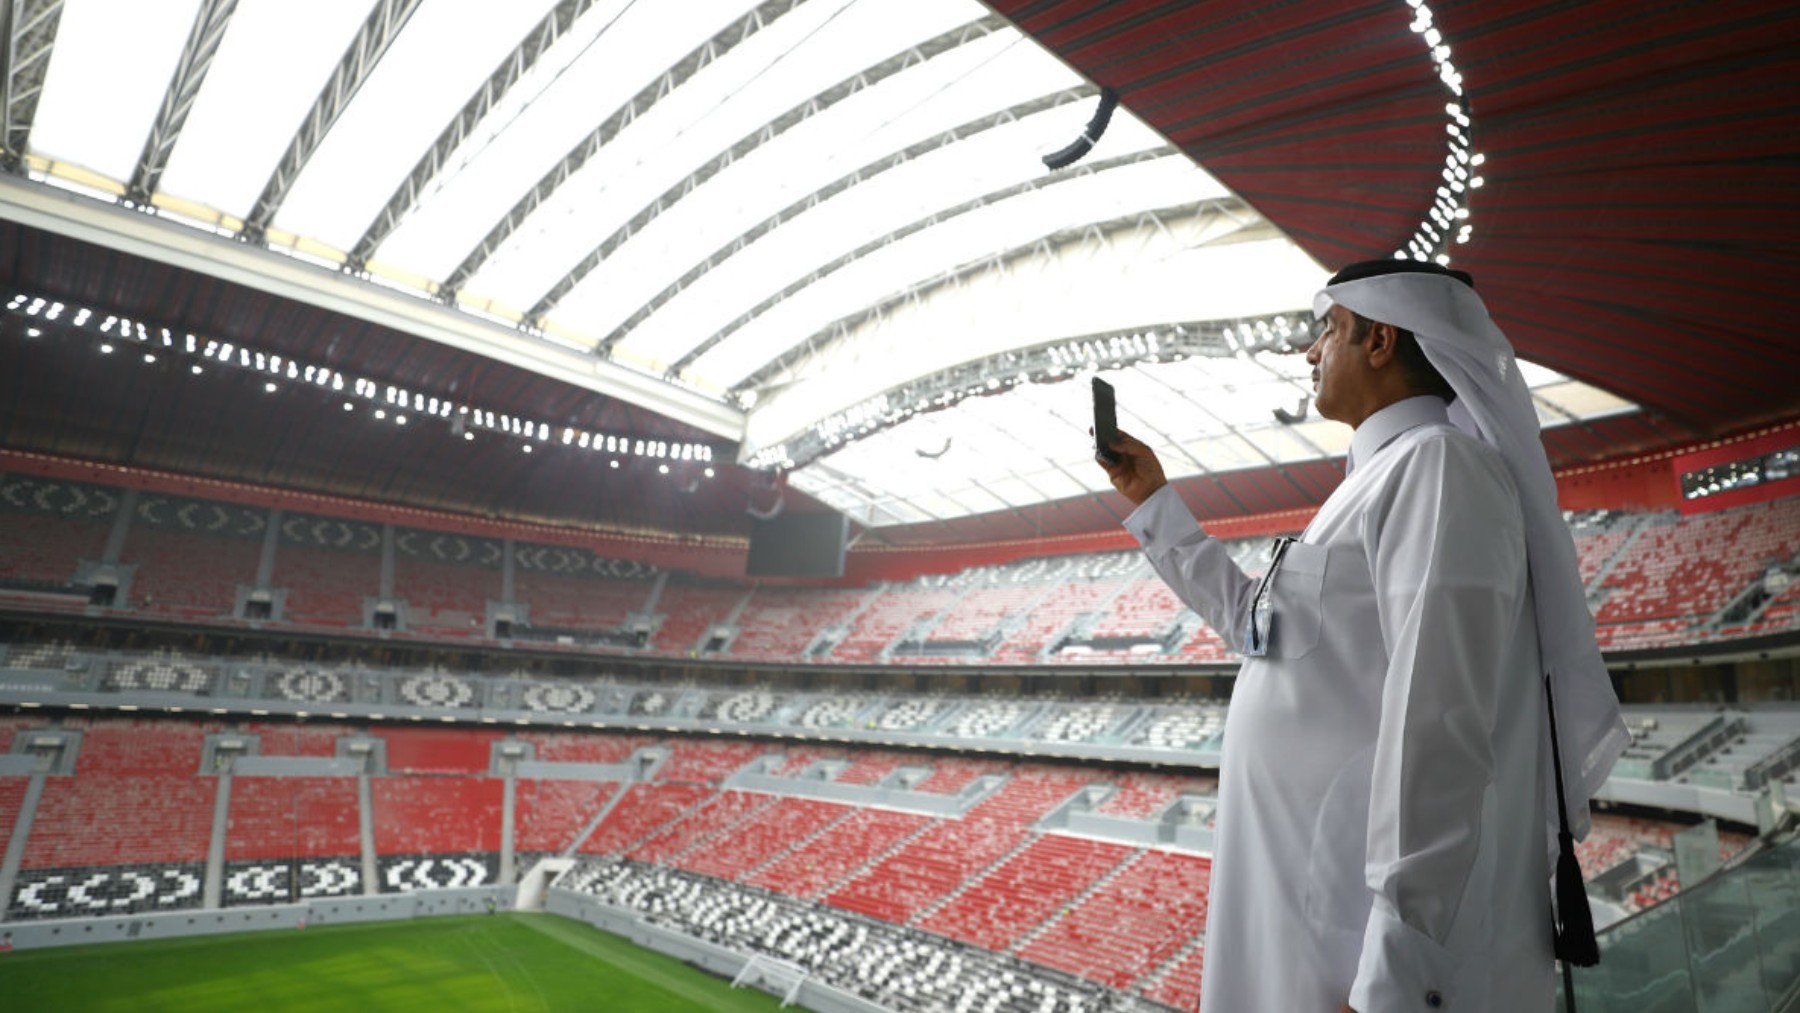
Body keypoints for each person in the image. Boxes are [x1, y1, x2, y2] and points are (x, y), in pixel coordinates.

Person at [1100, 259, 1628, 1013]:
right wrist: (1154, 503)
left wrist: (1397, 975)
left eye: (1329, 330)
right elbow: (1261, 627)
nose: (1312, 352)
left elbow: (1439, 726)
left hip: (1355, 952)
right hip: (1309, 917)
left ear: (1379, 339)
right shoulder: (1375, 483)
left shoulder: (1440, 467)